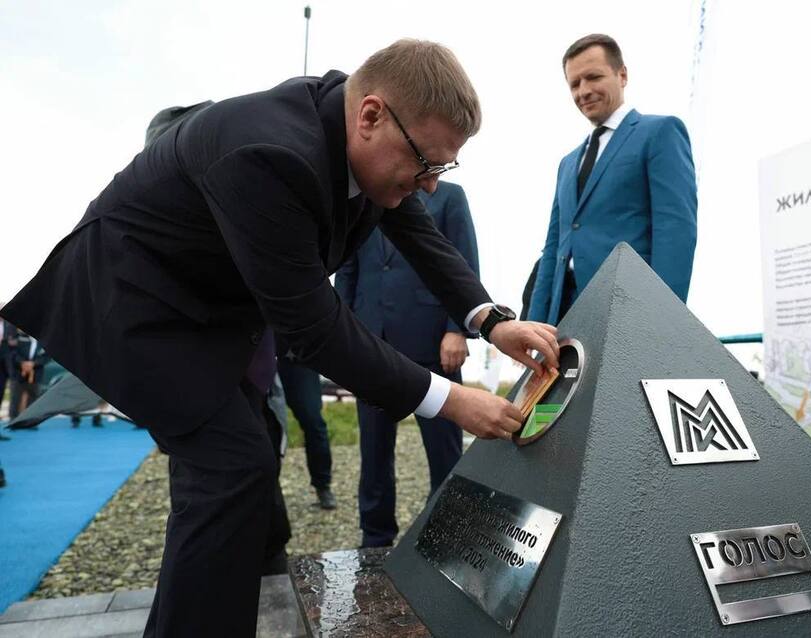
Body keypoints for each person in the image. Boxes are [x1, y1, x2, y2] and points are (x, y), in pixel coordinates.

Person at [0, 39, 559, 638]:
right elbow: (315, 328)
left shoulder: (359, 137)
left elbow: (421, 238)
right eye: (426, 164)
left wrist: (493, 322)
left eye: (442, 170)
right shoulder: (269, 154)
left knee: (233, 474)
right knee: (234, 470)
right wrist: (450, 400)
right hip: (131, 305)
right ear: (371, 115)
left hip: (205, 315)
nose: (428, 186)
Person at [336, 181, 478, 547]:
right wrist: (342, 334)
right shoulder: (363, 196)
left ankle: (447, 536)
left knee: (444, 451)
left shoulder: (450, 196)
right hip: (371, 342)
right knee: (373, 450)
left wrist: (457, 329)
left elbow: (462, 264)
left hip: (431, 341)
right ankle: (375, 535)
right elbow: (347, 269)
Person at [527, 33, 697, 325]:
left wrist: (664, 322)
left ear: (622, 75)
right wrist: (535, 323)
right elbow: (553, 247)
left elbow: (675, 230)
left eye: (593, 77)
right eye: (575, 84)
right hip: (564, 316)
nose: (584, 91)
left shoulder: (660, 133)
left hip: (628, 308)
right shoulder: (567, 163)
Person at [277, 359, 337, 509]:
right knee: (265, 426)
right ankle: (266, 490)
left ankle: (323, 485)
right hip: (260, 358)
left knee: (314, 424)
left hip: (297, 360)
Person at [9, 329, 49, 419]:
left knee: (33, 399)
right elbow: (14, 353)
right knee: (15, 398)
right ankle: (13, 420)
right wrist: (23, 363)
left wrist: (33, 363)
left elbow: (46, 356)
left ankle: (30, 420)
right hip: (19, 373)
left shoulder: (45, 341)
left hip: (36, 374)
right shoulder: (20, 337)